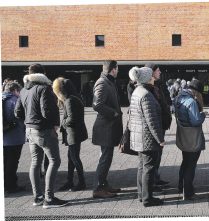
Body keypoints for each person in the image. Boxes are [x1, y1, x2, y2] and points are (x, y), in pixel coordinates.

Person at [15, 63, 68, 208]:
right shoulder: (44, 89)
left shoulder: (24, 90)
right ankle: (49, 198)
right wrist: (54, 124)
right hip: (44, 131)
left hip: (30, 130)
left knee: (35, 163)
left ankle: (38, 197)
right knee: (54, 161)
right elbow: (47, 112)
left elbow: (17, 112)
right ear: (43, 73)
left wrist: (28, 121)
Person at [129, 66, 165, 207]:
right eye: (151, 76)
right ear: (147, 78)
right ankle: (148, 198)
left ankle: (141, 195)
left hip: (138, 136)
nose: (153, 78)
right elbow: (152, 121)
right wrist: (160, 139)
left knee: (142, 167)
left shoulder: (137, 92)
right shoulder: (146, 95)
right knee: (149, 167)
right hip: (147, 138)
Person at [92, 60, 123, 198]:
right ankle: (98, 188)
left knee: (107, 157)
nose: (118, 71)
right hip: (105, 128)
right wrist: (114, 113)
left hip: (109, 127)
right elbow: (97, 105)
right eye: (117, 68)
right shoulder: (102, 82)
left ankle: (104, 184)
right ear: (113, 69)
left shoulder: (108, 82)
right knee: (105, 158)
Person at [52, 77, 88, 192]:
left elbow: (72, 118)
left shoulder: (70, 100)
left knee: (74, 158)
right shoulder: (74, 98)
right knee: (71, 158)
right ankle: (70, 181)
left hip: (73, 133)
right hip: (75, 133)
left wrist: (62, 124)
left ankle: (81, 182)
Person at [174, 79, 206, 200]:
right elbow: (196, 121)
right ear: (196, 91)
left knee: (185, 162)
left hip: (183, 135)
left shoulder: (178, 98)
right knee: (191, 165)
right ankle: (188, 191)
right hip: (192, 137)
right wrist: (203, 115)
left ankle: (180, 185)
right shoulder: (191, 101)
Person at [145, 63, 172, 189]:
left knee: (158, 154)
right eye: (158, 71)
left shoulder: (159, 85)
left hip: (162, 124)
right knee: (152, 156)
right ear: (152, 72)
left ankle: (156, 178)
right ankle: (151, 183)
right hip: (154, 125)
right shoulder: (148, 88)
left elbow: (166, 100)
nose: (160, 73)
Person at [3, 81, 26, 194]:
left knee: (5, 162)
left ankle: (5, 184)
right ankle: (11, 186)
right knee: (12, 162)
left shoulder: (2, 98)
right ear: (15, 90)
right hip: (14, 137)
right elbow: (21, 117)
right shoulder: (15, 101)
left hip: (3, 136)